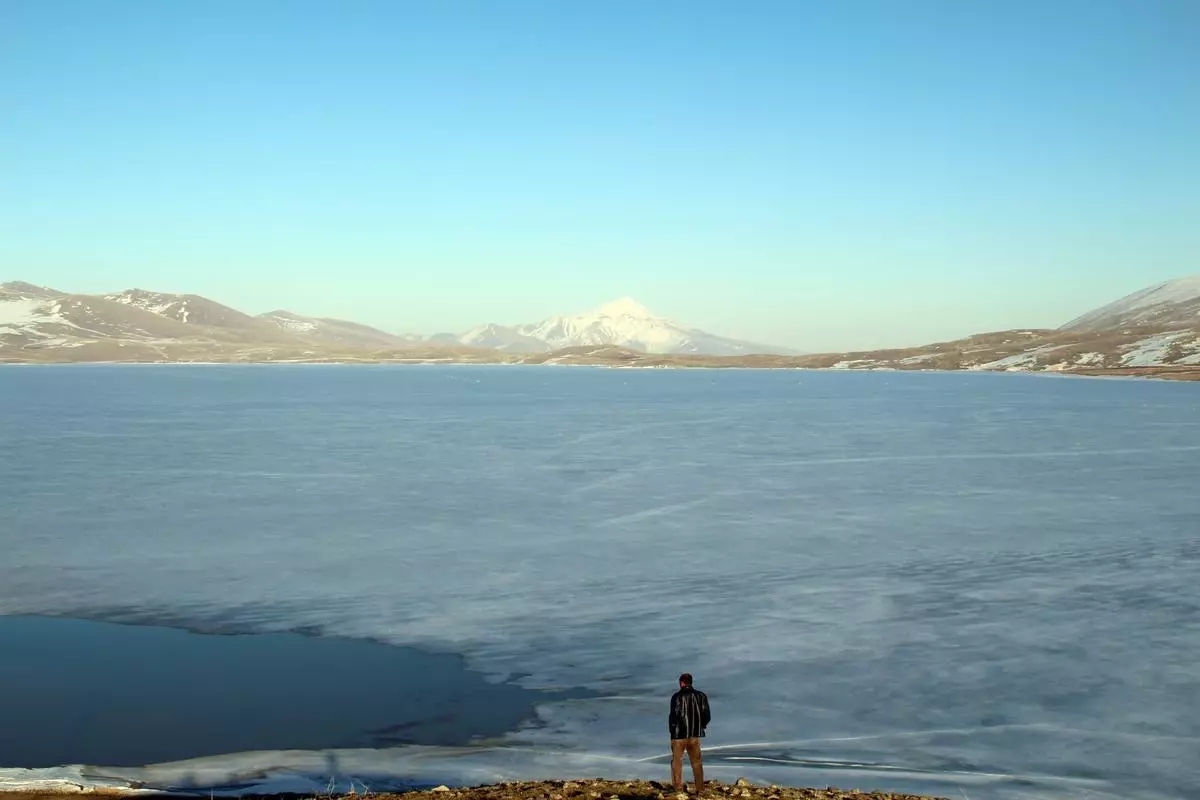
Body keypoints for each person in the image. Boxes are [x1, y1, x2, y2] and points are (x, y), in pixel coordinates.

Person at [668, 672, 711, 794]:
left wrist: (672, 731)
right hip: (694, 734)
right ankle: (700, 788)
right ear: (690, 682)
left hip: (678, 735)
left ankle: (678, 788)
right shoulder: (701, 696)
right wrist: (701, 725)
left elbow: (673, 716)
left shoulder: (676, 697)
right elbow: (706, 715)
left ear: (681, 683)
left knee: (677, 761)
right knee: (696, 762)